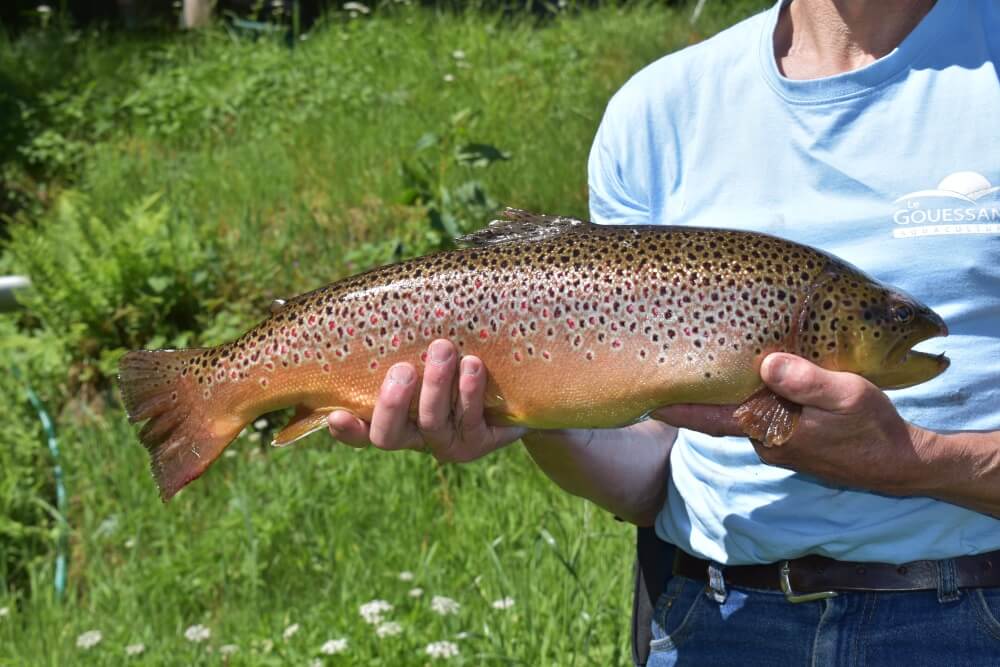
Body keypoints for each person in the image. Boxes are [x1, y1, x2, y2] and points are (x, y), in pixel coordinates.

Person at [328, 0, 1000, 663]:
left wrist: (915, 460)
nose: (898, 330)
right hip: (716, 619)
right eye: (881, 318)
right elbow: (651, 470)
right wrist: (531, 414)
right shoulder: (657, 112)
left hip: (968, 616)